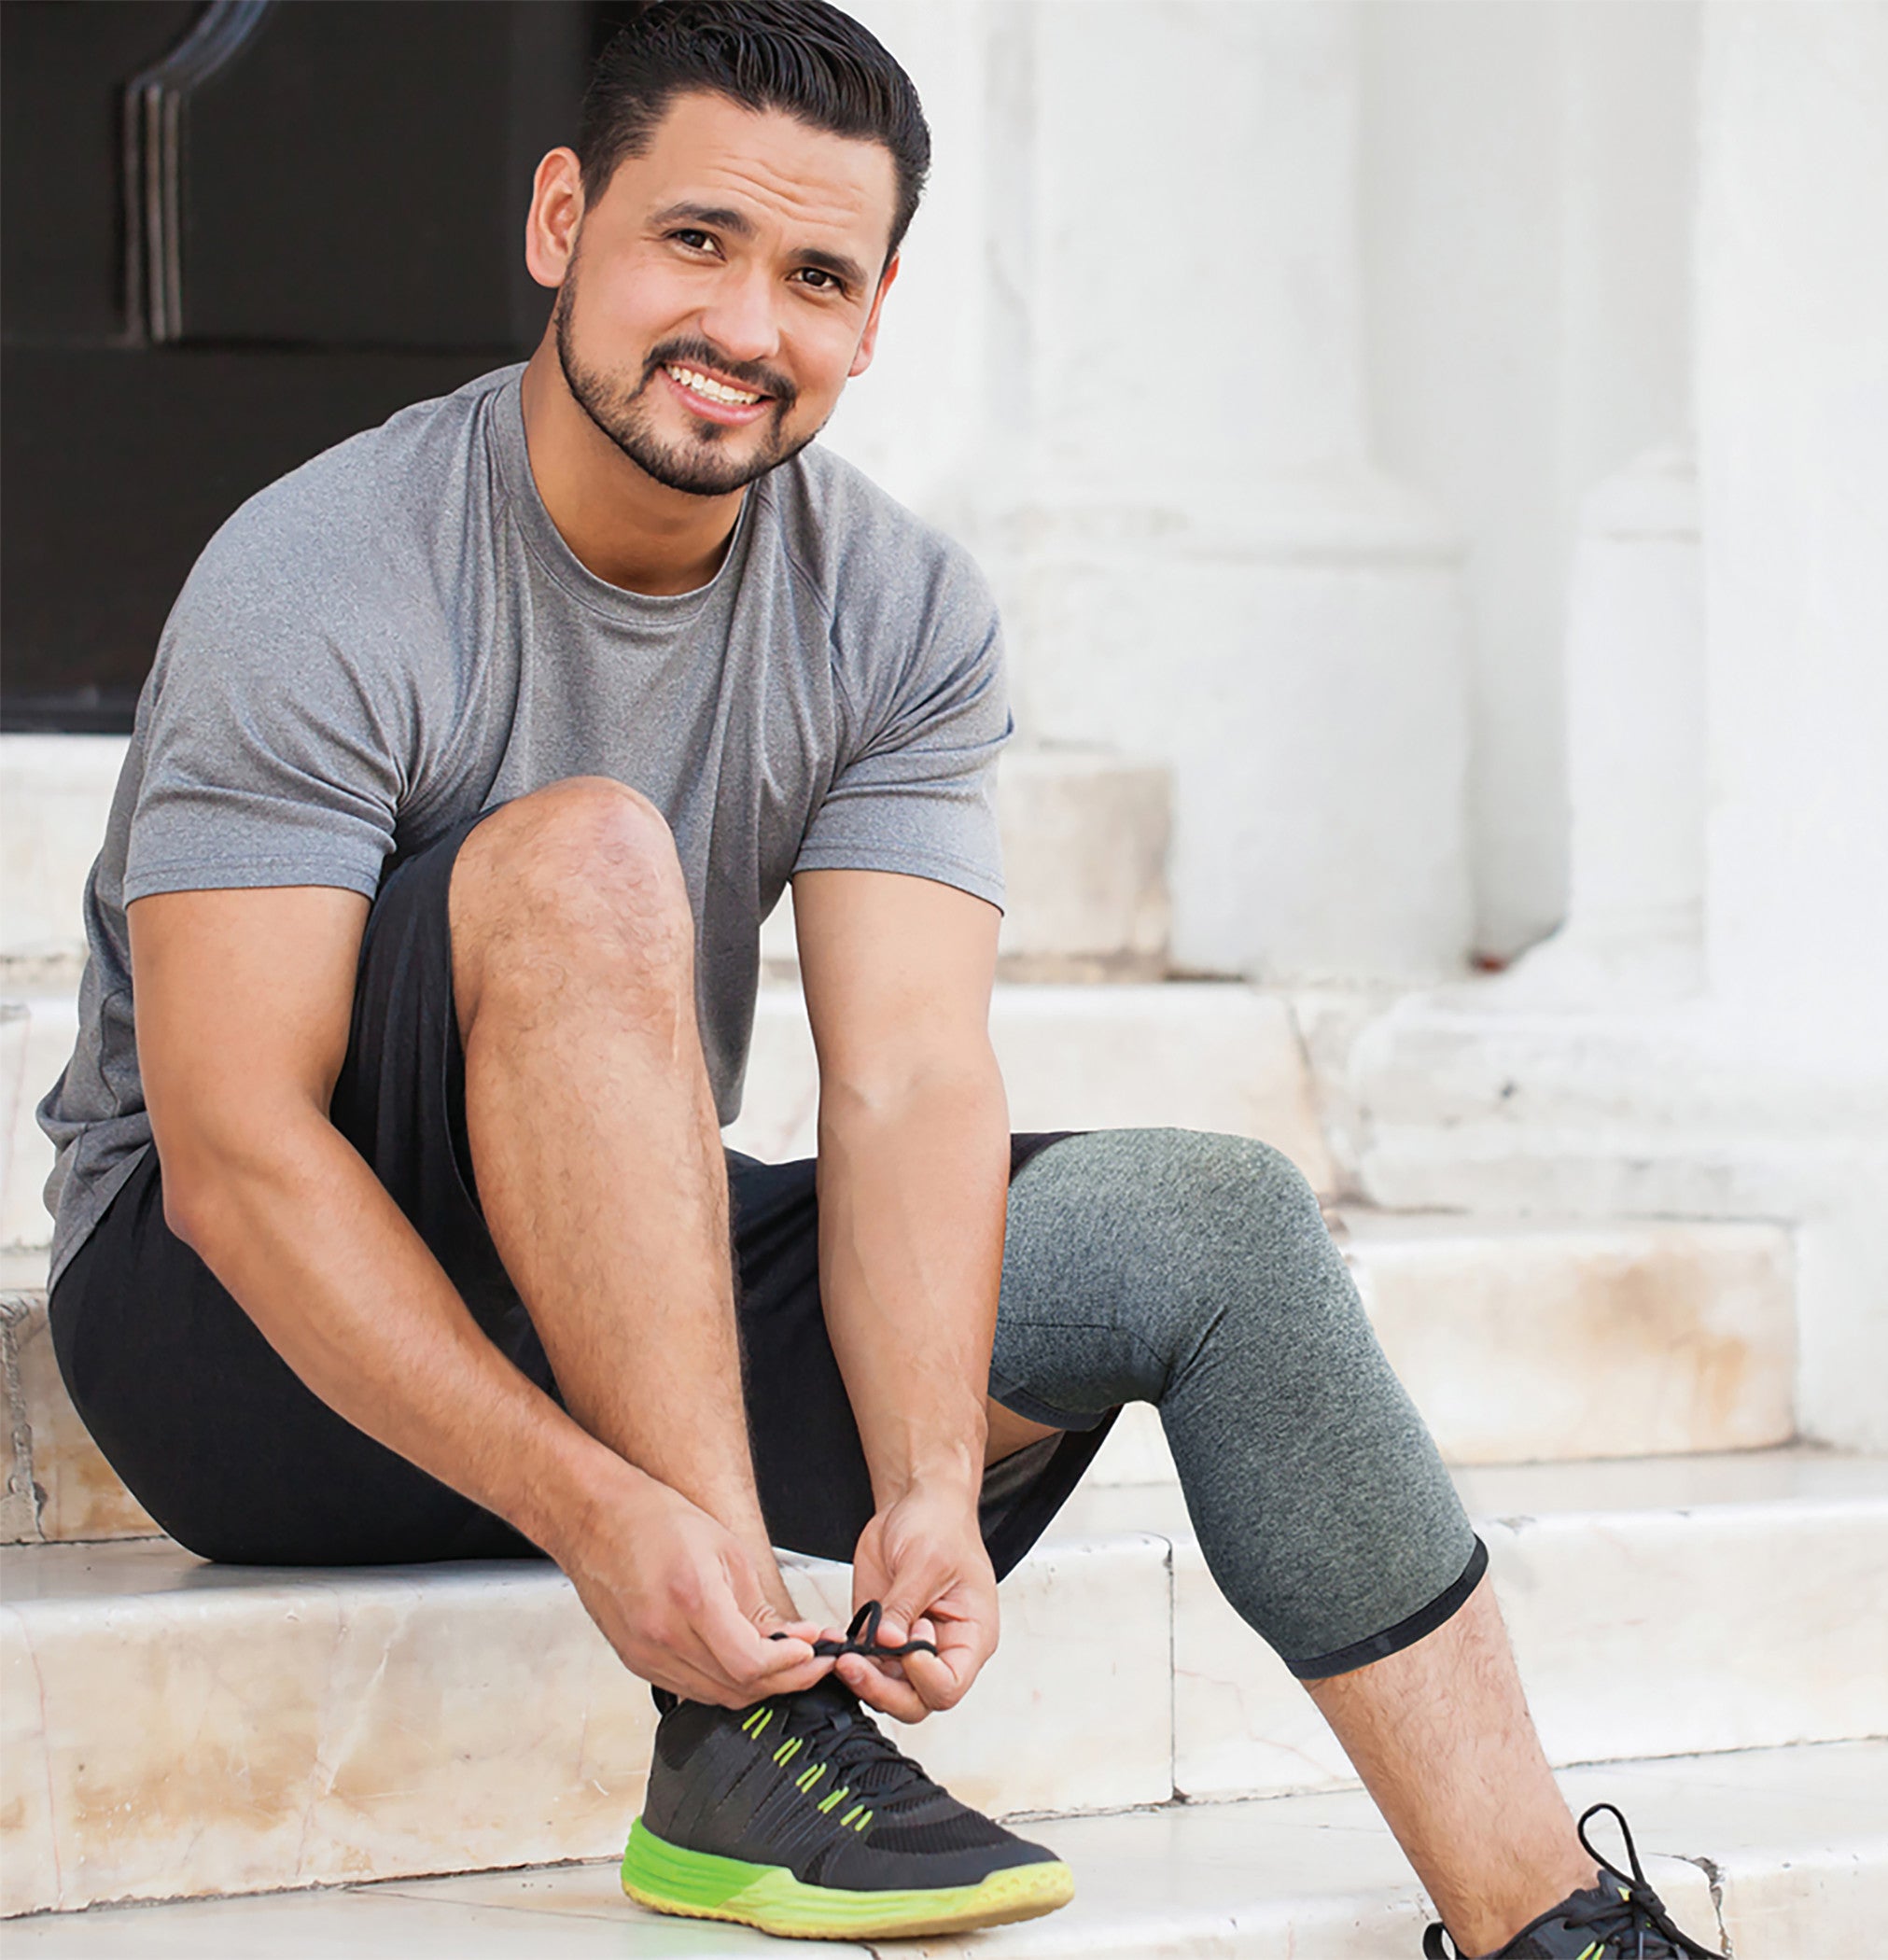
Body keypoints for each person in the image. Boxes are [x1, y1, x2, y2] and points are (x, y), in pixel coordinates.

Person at [37, 6, 1721, 1955]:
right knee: (587, 853)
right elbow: (234, 1152)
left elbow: (911, 1078)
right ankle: (742, 1733)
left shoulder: (900, 612)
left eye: (816, 276)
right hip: (232, 1345)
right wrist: (608, 1515)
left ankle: (1547, 1925)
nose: (748, 326)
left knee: (1218, 1228)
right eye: (695, 242)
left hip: (598, 1295)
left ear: (875, 310)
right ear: (561, 220)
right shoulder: (326, 568)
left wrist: (926, 1470)